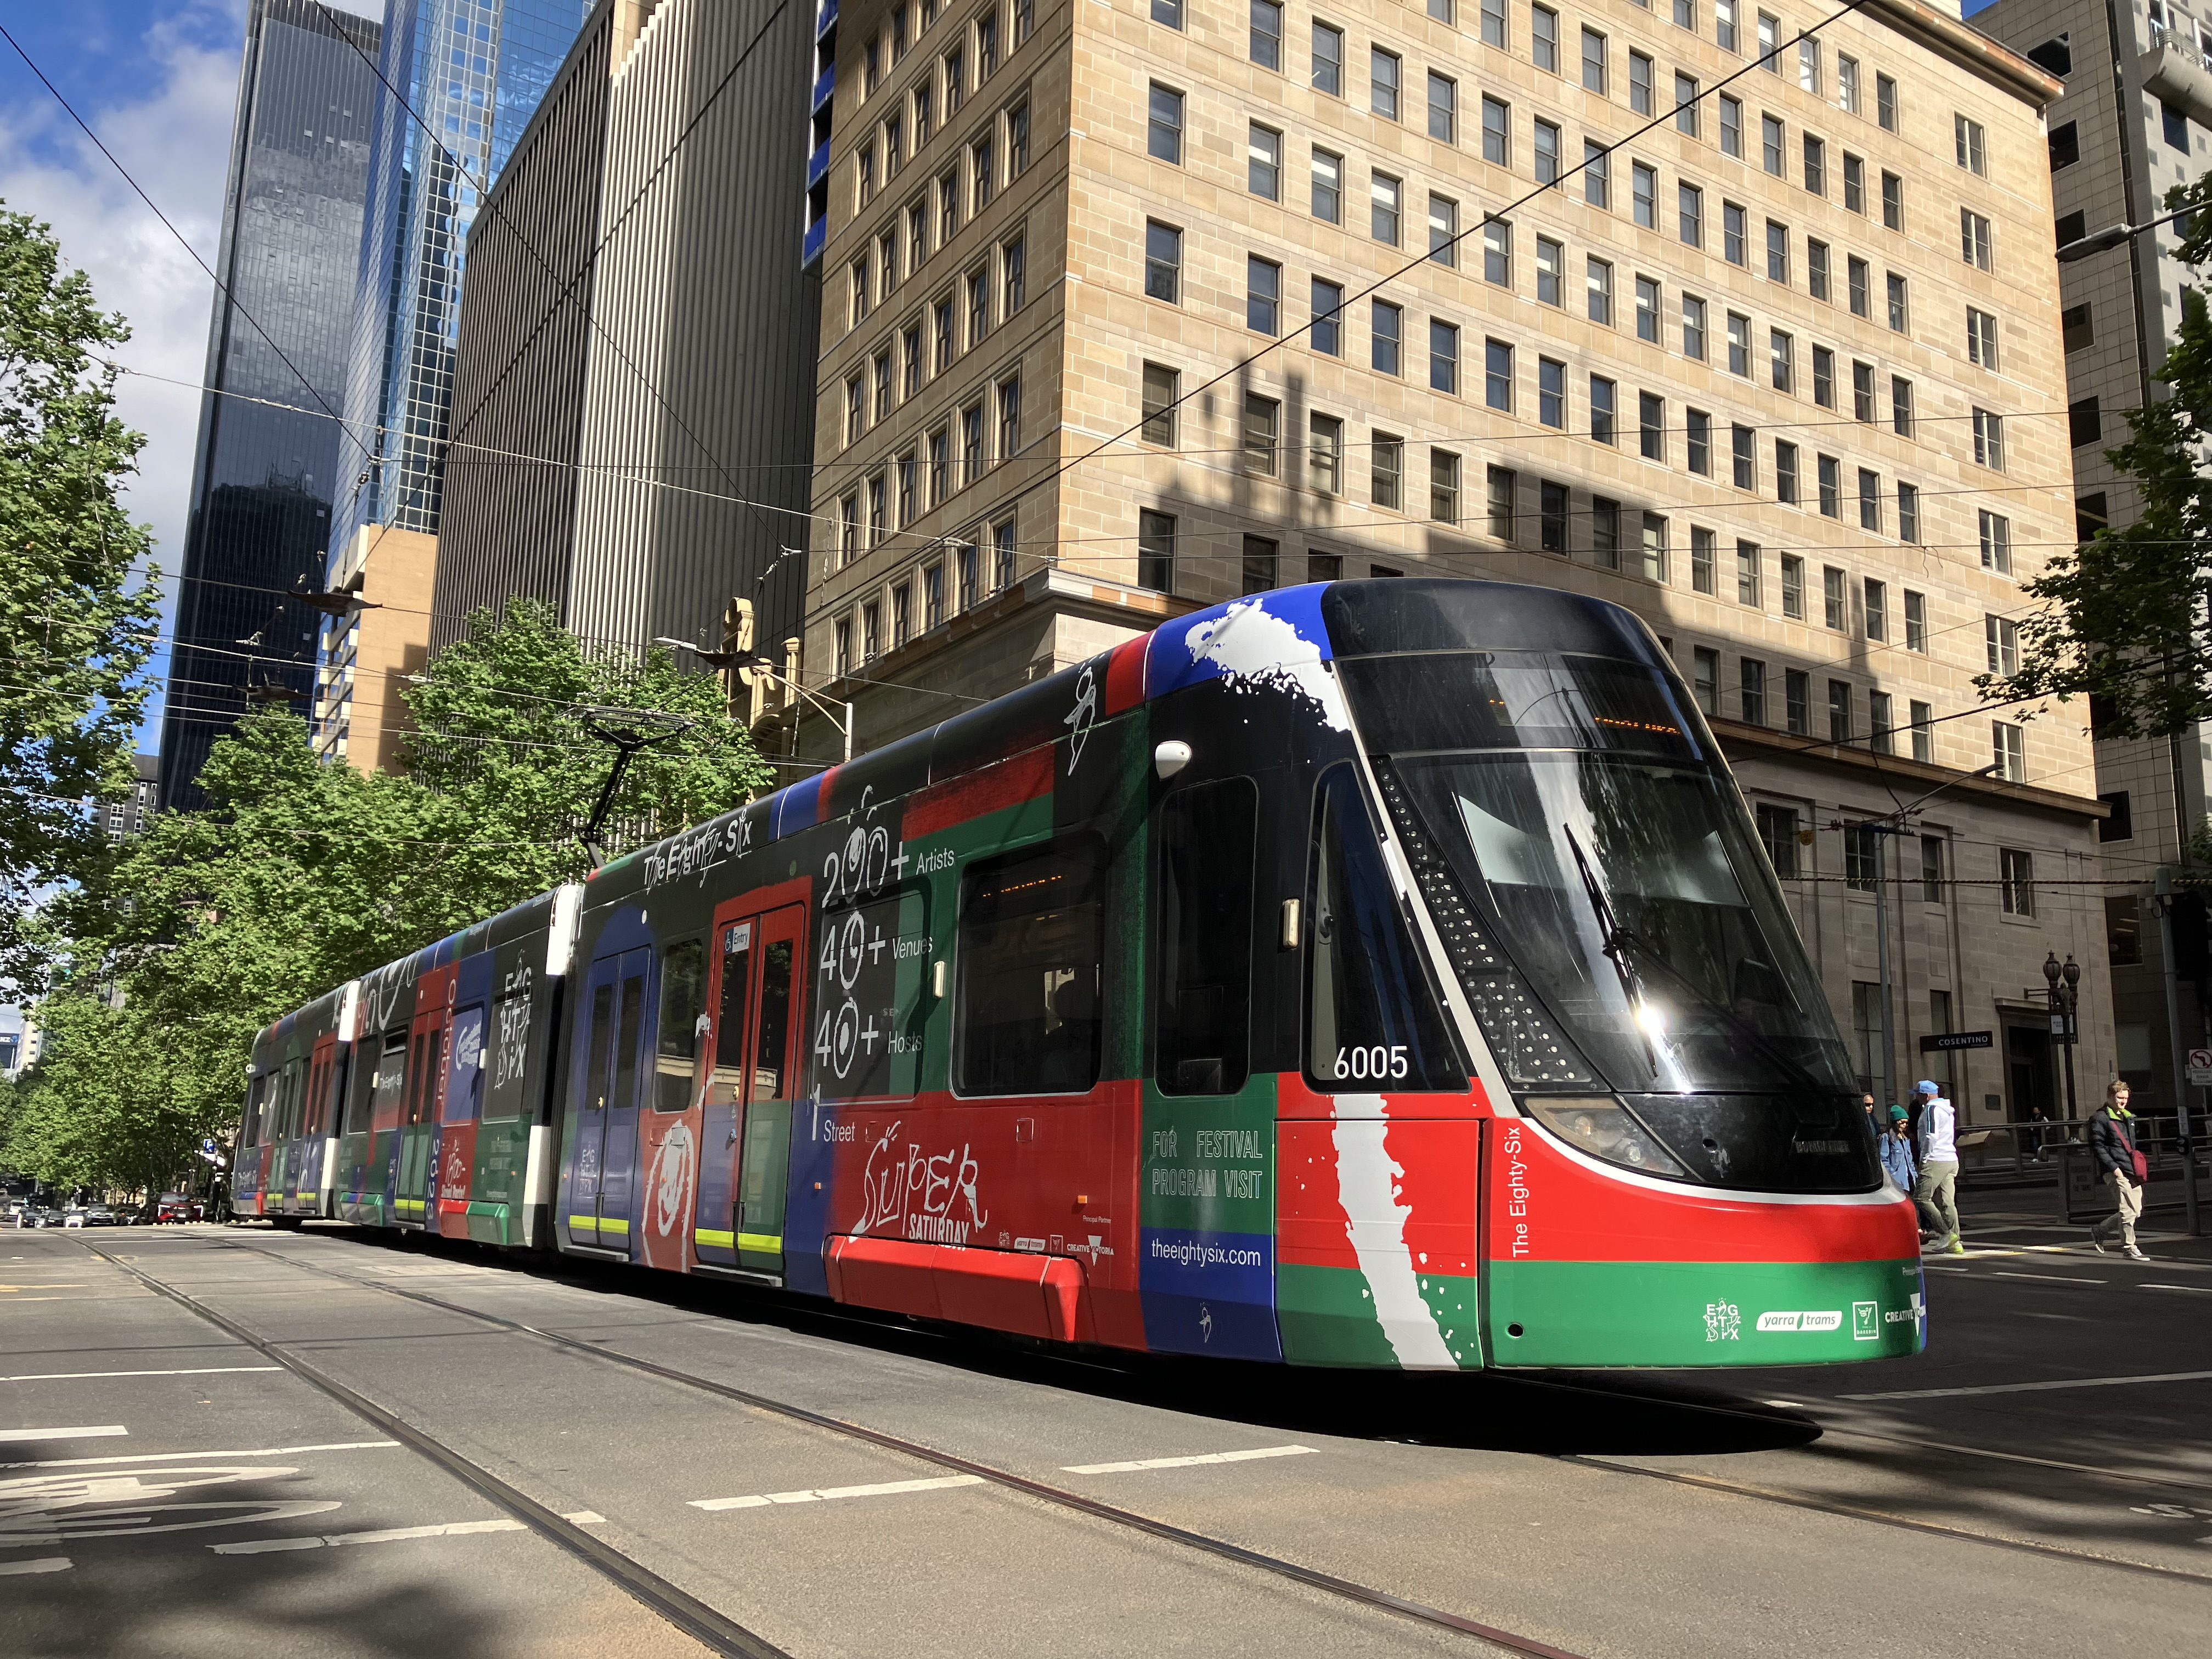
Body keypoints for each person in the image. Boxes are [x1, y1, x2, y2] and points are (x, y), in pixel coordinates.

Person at [2089, 1080, 2150, 1261]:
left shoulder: (2129, 1117)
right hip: (2116, 1170)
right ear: (2110, 1096)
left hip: (2130, 1169)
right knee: (2127, 1211)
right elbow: (2097, 1145)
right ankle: (2129, 1247)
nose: (2123, 1101)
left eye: (2126, 1098)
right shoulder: (2100, 1118)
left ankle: (2100, 1230)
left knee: (2135, 1211)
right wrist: (2114, 1168)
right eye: (2119, 1098)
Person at [1910, 1080, 1962, 1255]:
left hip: (1936, 1158)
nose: (1916, 1098)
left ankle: (1946, 1234)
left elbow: (1931, 1136)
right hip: (1950, 1159)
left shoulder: (1931, 1109)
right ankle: (1955, 1240)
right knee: (1947, 1202)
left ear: (1926, 1095)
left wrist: (1925, 1158)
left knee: (1921, 1198)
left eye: (1918, 1094)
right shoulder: (1948, 1110)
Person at [1880, 1103, 1917, 1195]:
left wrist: (1915, 1175)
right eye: (1902, 1122)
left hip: (1910, 1181)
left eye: (1906, 1123)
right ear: (1895, 1122)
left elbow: (1910, 1160)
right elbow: (1883, 1160)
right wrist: (1893, 1175)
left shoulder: (1906, 1138)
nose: (1904, 1125)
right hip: (1897, 1182)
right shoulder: (1887, 1137)